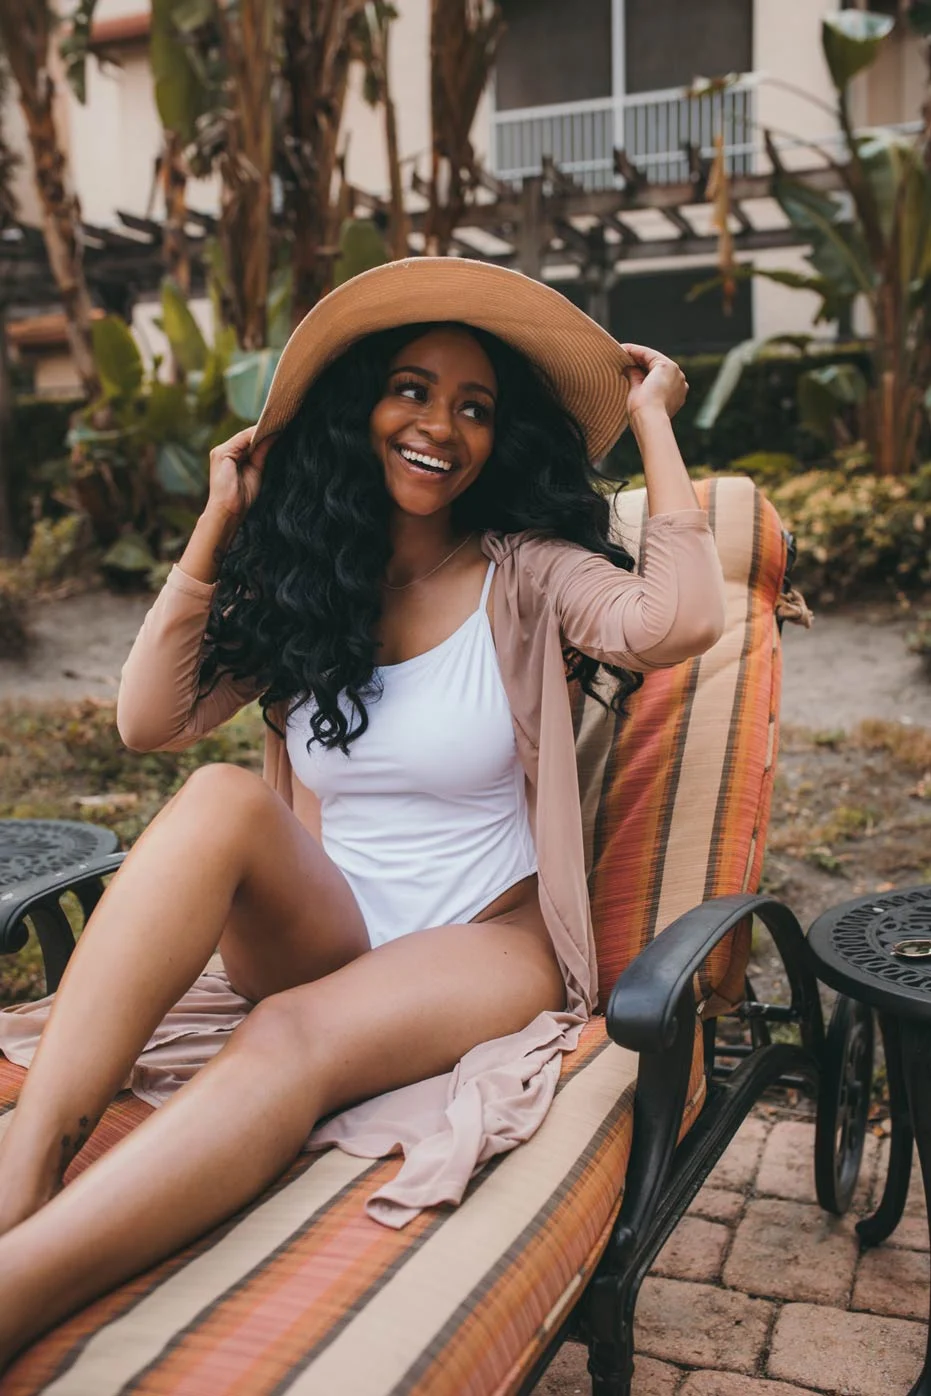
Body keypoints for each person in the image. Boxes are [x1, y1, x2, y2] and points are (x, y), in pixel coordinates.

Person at [0, 257, 725, 1371]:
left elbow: (677, 617)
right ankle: (24, 1170)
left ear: (500, 439)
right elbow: (149, 721)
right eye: (412, 389)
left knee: (282, 1034)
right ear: (362, 411)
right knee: (215, 797)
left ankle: (16, 1288)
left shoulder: (527, 571)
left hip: (483, 940)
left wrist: (649, 420)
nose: (441, 425)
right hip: (329, 929)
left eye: (474, 407)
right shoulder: (315, 578)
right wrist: (216, 523)